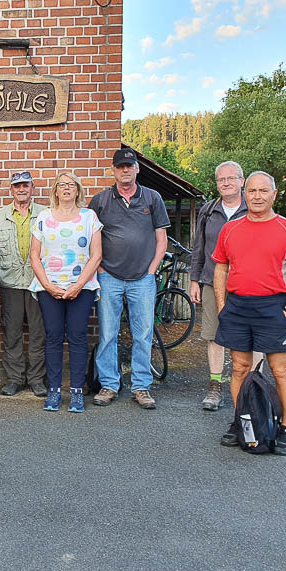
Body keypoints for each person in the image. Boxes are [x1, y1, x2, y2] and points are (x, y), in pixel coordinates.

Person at [213, 171, 286, 456]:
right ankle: (241, 421)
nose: (257, 196)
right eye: (252, 191)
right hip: (237, 306)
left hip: (273, 307)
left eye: (263, 191)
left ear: (274, 194)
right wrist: (222, 306)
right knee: (240, 368)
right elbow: (220, 267)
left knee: (281, 370)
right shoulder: (230, 228)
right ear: (245, 194)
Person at [89, 147, 170, 410]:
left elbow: (161, 238)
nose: (125, 171)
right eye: (120, 167)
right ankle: (109, 384)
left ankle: (141, 386)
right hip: (109, 277)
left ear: (137, 169)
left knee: (143, 334)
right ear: (113, 171)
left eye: (129, 166)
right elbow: (91, 239)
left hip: (142, 279)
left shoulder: (152, 198)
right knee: (108, 334)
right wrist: (99, 269)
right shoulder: (100, 201)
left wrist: (152, 269)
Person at [189, 161, 262, 411]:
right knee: (214, 336)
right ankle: (215, 385)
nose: (226, 183)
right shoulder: (208, 211)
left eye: (232, 178)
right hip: (212, 282)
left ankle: (254, 387)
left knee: (252, 337)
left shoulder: (254, 208)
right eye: (221, 179)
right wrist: (194, 279)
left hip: (250, 285)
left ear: (242, 181)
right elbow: (199, 246)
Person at [29, 172, 103, 413]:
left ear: (78, 190)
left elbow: (97, 255)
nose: (67, 189)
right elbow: (34, 255)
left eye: (72, 185)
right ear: (56, 191)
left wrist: (78, 285)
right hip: (48, 288)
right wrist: (48, 285)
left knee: (78, 337)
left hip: (81, 288)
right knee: (52, 337)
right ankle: (53, 391)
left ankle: (77, 392)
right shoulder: (43, 217)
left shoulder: (89, 216)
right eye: (62, 185)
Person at [0, 171, 48, 397]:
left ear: (32, 189)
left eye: (25, 185)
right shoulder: (0, 216)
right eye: (17, 186)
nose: (21, 190)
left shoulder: (46, 214)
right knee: (12, 332)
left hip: (38, 282)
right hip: (11, 282)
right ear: (11, 190)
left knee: (38, 332)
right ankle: (15, 378)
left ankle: (36, 379)